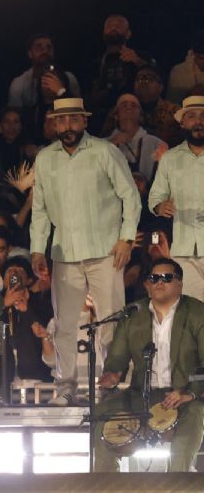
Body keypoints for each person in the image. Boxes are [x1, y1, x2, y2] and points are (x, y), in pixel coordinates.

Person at [30, 98, 142, 406]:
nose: (67, 126)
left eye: (73, 120)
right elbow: (39, 209)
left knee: (110, 324)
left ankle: (110, 387)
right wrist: (37, 249)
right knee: (65, 324)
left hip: (106, 250)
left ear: (84, 121)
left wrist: (126, 239)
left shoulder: (105, 151)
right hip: (64, 253)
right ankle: (65, 388)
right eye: (61, 121)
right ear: (54, 123)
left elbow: (130, 197)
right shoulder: (45, 158)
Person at [94, 258, 204, 472]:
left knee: (197, 412)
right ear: (146, 285)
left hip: (183, 398)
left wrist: (189, 394)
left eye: (167, 278)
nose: (159, 282)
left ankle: (177, 481)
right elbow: (117, 358)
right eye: (154, 278)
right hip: (140, 395)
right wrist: (113, 374)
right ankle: (105, 483)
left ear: (180, 284)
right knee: (102, 411)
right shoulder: (132, 314)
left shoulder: (198, 313)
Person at [148, 95, 204, 302]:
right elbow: (155, 196)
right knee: (193, 311)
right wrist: (159, 206)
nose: (198, 121)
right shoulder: (170, 158)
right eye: (192, 116)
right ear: (183, 122)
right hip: (185, 247)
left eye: (203, 116)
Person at [106, 93, 166, 181]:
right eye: (124, 105)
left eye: (134, 105)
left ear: (141, 116)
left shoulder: (157, 144)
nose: (129, 107)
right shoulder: (103, 145)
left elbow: (168, 177)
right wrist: (112, 144)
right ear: (116, 115)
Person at [166, 29, 204, 104]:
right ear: (193, 54)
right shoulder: (179, 72)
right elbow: (171, 105)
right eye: (201, 58)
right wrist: (189, 95)